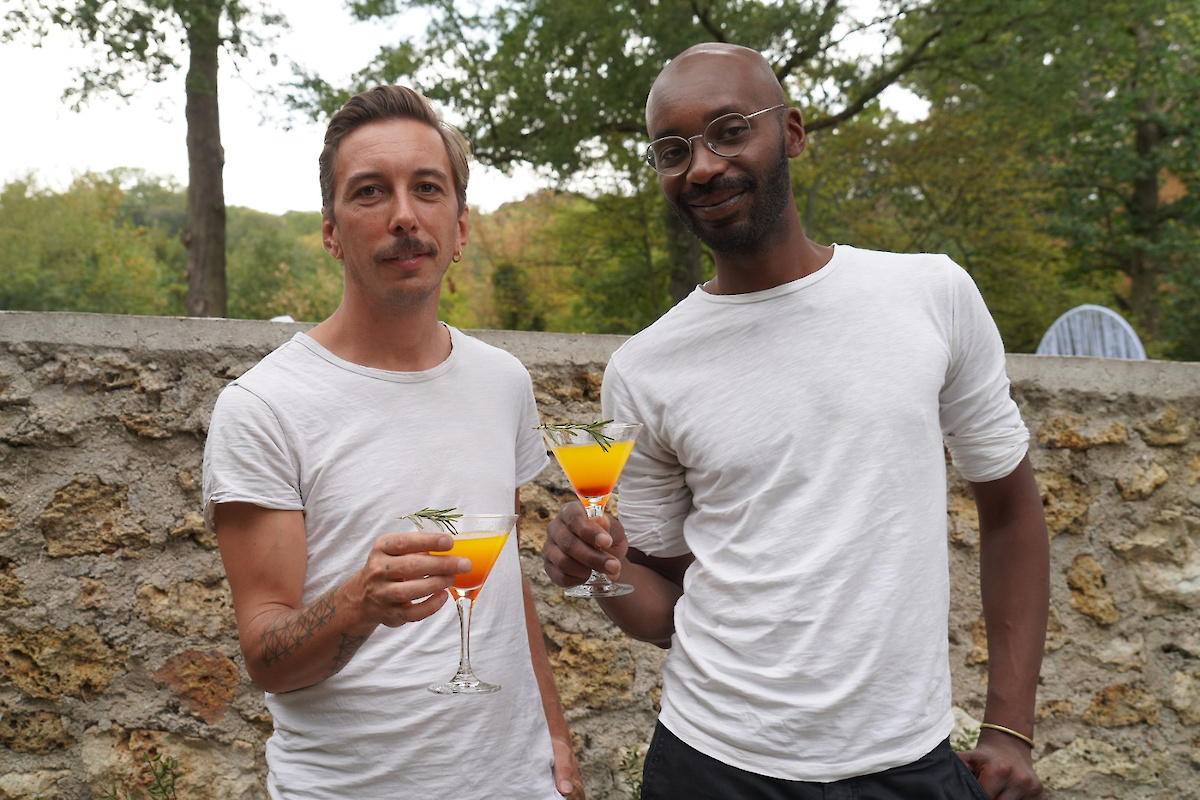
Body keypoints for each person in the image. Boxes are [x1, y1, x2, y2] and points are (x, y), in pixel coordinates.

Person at [543, 43, 1050, 800]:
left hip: (906, 763)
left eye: (728, 130)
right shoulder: (646, 369)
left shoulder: (930, 294)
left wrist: (1009, 725)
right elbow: (666, 613)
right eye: (672, 149)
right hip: (710, 764)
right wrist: (601, 573)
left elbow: (1010, 512)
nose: (703, 166)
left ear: (794, 133)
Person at [202, 85, 581, 799]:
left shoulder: (502, 382)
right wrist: (357, 603)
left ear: (460, 227)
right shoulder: (263, 407)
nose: (405, 216)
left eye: (427, 189)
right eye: (371, 192)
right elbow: (266, 658)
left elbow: (504, 587)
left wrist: (555, 737)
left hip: (515, 783)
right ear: (332, 231)